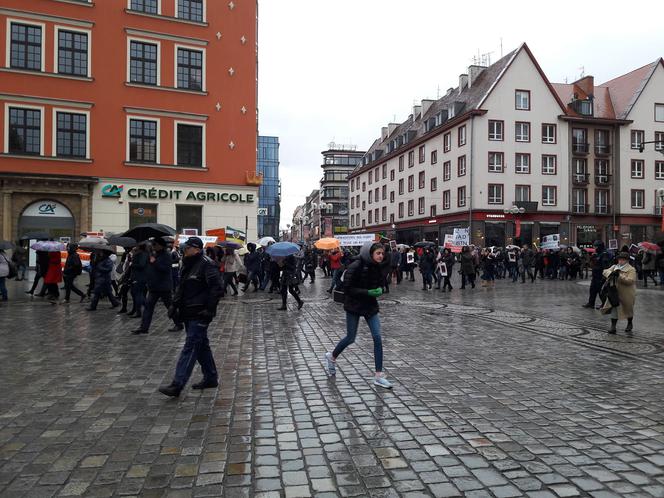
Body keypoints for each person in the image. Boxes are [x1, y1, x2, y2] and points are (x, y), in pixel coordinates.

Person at [159, 237, 223, 397]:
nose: (184, 250)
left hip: (200, 312)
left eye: (187, 248)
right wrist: (174, 304)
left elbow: (217, 288)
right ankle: (211, 377)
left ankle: (177, 384)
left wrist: (209, 310)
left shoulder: (207, 264)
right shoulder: (188, 264)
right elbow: (182, 287)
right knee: (201, 346)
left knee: (191, 346)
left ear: (196, 248)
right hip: (188, 311)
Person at [325, 242, 392, 389]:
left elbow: (380, 283)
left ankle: (379, 376)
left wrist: (379, 289)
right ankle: (332, 357)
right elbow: (347, 289)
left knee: (377, 337)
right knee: (351, 337)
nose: (381, 256)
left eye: (382, 253)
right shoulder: (355, 266)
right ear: (370, 253)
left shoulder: (378, 266)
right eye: (378, 253)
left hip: (370, 306)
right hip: (354, 305)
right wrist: (367, 292)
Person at [133, 237, 183, 334]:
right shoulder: (155, 254)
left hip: (163, 287)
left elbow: (165, 269)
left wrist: (154, 262)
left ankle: (179, 323)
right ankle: (144, 328)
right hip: (154, 286)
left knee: (169, 306)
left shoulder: (166, 255)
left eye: (155, 244)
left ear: (160, 245)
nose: (153, 246)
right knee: (148, 307)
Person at [601, 252, 636, 333]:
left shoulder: (631, 269)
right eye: (619, 259)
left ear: (627, 260)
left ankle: (629, 323)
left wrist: (619, 276)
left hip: (627, 293)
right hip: (614, 292)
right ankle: (613, 327)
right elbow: (605, 271)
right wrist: (611, 273)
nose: (620, 261)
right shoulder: (614, 267)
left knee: (628, 309)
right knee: (614, 307)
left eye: (623, 259)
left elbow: (630, 281)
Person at [583, 241, 612, 309]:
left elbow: (605, 266)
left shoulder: (604, 254)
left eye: (596, 246)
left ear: (599, 246)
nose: (594, 248)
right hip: (595, 275)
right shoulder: (597, 253)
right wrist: (593, 258)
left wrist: (604, 276)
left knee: (601, 291)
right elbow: (594, 263)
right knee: (592, 289)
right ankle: (591, 303)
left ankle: (604, 304)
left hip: (600, 275)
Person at [129, 243, 149, 318]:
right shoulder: (138, 253)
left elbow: (141, 265)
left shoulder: (142, 254)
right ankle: (140, 309)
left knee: (138, 294)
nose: (135, 247)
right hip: (137, 276)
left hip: (140, 277)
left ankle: (139, 311)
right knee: (135, 293)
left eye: (136, 245)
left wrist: (132, 264)